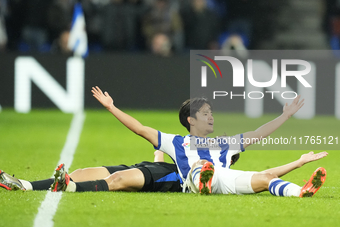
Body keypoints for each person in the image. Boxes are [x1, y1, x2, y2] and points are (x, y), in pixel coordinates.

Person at [85, 86, 327, 197]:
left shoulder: (225, 143)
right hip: (193, 178)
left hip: (222, 179)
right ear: (191, 120)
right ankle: (202, 180)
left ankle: (301, 192)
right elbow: (139, 129)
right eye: (205, 113)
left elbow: (259, 132)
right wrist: (112, 107)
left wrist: (284, 116)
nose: (211, 116)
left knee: (265, 179)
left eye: (212, 112)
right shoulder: (175, 141)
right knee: (202, 165)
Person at [0, 151, 182, 193]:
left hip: (159, 176)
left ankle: (70, 188)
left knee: (117, 180)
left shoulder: (186, 175)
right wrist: (159, 152)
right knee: (80, 172)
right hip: (150, 166)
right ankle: (24, 185)